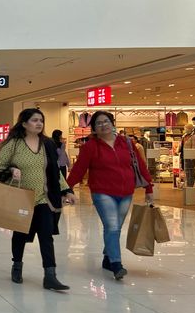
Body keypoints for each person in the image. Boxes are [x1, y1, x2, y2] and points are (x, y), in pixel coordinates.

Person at [0, 108, 76, 291]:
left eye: (41, 120)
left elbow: (54, 172)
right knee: (20, 235)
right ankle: (17, 265)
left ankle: (50, 276)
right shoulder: (14, 144)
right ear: (24, 124)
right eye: (34, 120)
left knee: (46, 236)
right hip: (21, 198)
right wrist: (11, 170)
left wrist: (67, 190)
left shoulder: (46, 144)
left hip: (43, 198)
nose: (39, 123)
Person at [66, 111, 154, 280]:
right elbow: (79, 169)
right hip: (102, 192)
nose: (103, 125)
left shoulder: (127, 143)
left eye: (106, 121)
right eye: (98, 123)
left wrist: (149, 188)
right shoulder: (90, 147)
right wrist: (67, 188)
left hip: (126, 192)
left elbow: (139, 166)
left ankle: (107, 257)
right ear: (94, 129)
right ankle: (116, 264)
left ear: (112, 123)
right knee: (112, 226)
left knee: (116, 227)